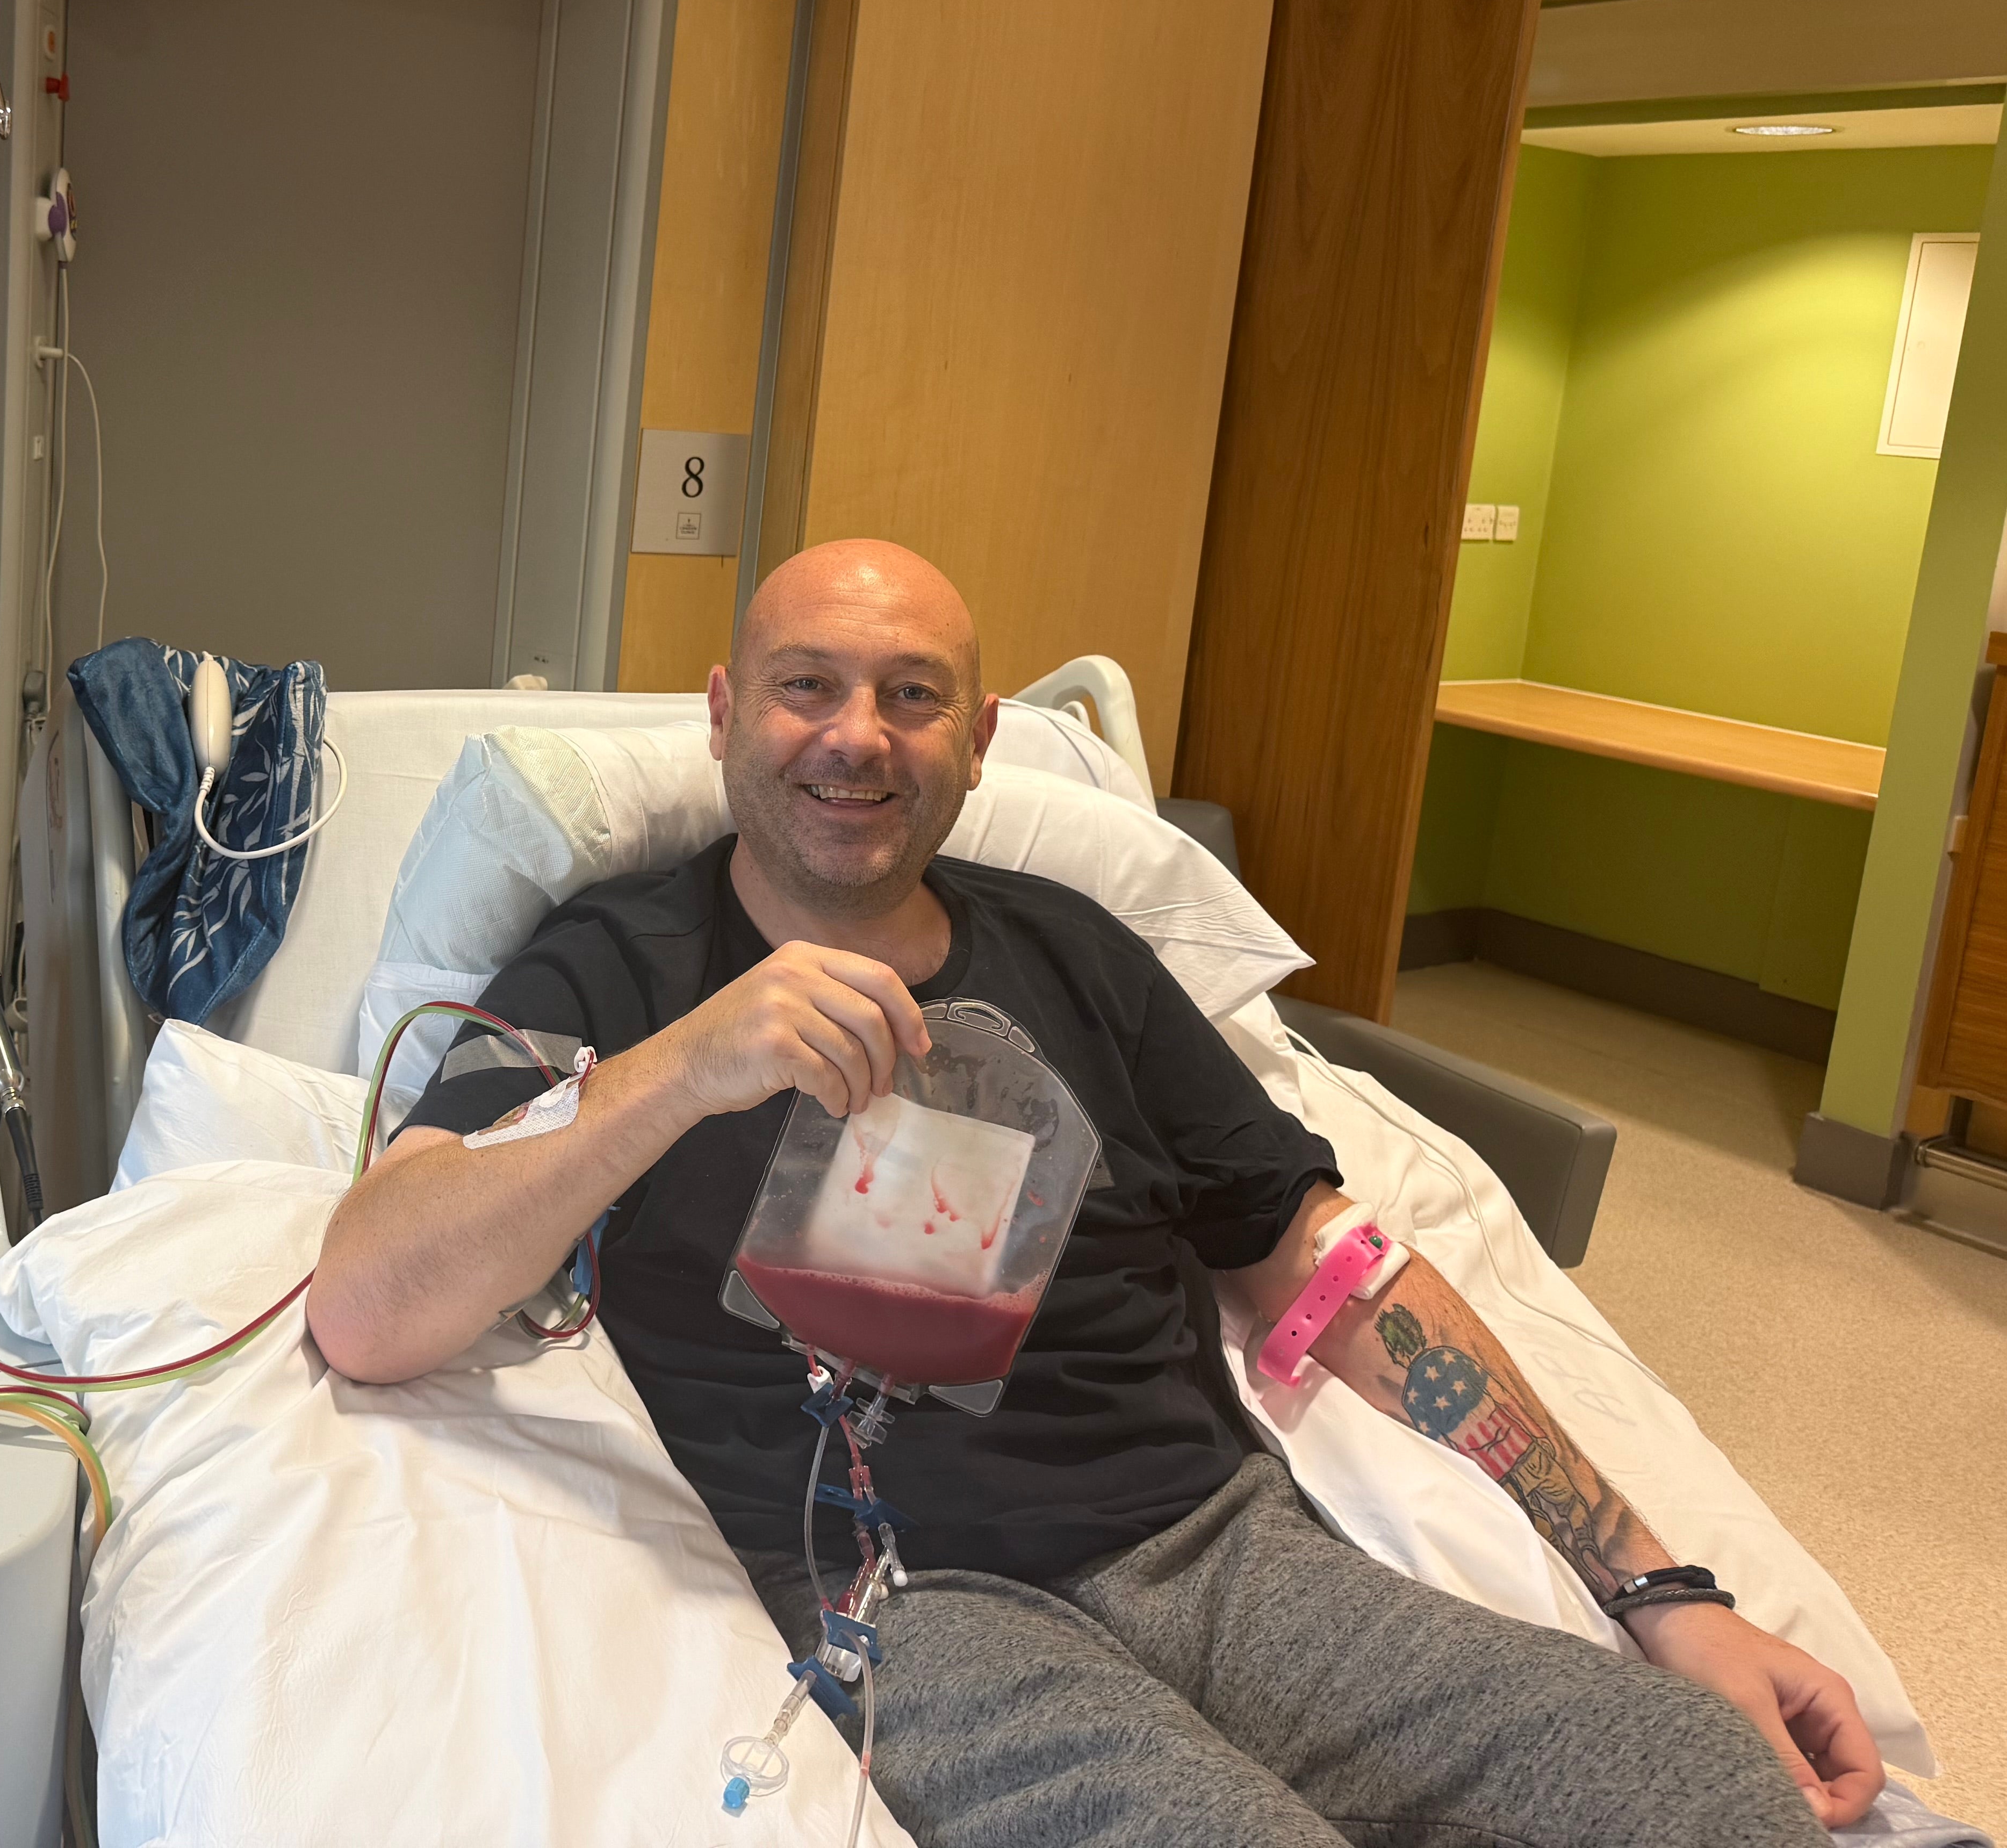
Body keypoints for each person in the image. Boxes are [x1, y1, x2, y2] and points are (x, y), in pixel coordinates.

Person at [309, 539, 1883, 1847]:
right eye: (806, 685)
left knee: (1693, 1784)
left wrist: (1663, 1589)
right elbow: (371, 1303)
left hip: (1219, 1546)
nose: (856, 732)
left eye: (912, 695)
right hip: (899, 1597)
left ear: (979, 738)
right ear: (725, 714)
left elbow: (1333, 1269)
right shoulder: (615, 963)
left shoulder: (1081, 955)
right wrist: (685, 1067)